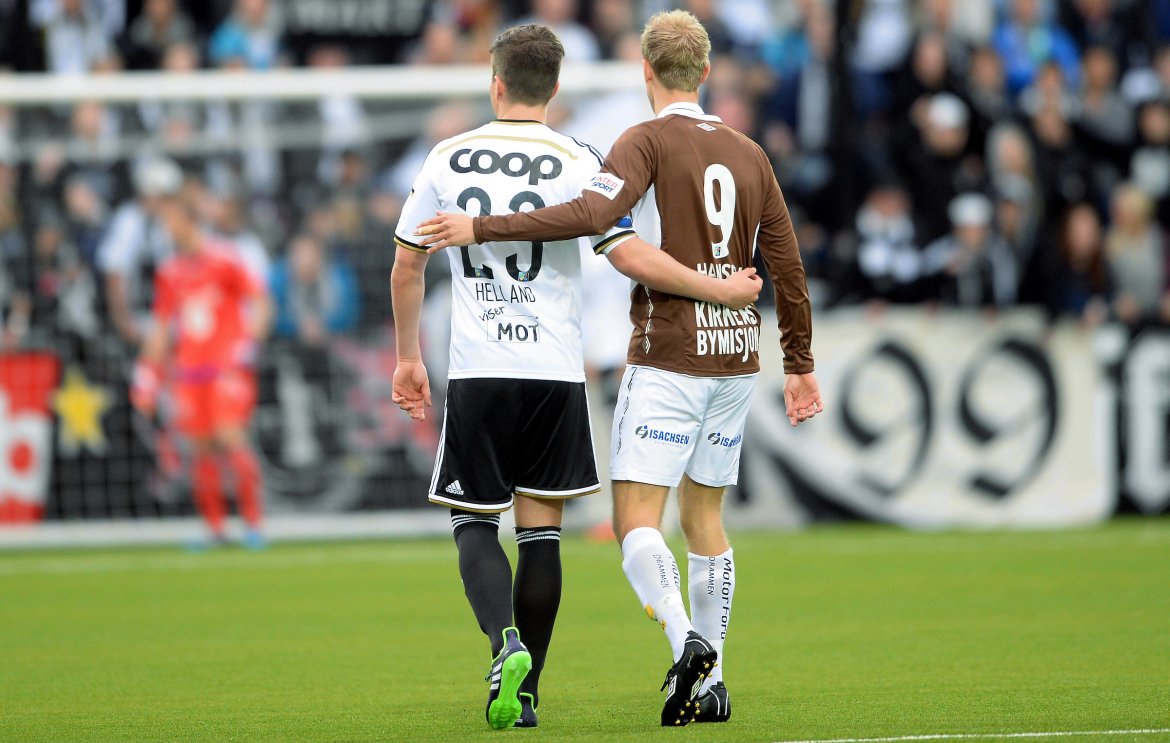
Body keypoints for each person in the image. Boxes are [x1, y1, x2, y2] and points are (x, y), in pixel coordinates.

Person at [415, 9, 823, 727]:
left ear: (644, 73)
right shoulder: (752, 153)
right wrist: (800, 362)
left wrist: (483, 226)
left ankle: (682, 636)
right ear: (705, 72)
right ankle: (715, 676)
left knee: (636, 520)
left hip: (667, 350)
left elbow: (585, 217)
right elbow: (786, 264)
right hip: (735, 356)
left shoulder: (640, 141)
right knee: (707, 519)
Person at [131, 195, 269, 550]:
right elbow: (161, 327)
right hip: (189, 373)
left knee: (230, 437)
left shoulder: (225, 260)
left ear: (189, 221)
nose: (167, 229)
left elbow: (262, 302)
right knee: (200, 450)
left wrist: (247, 346)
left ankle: (254, 524)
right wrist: (146, 375)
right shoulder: (169, 272)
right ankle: (216, 528)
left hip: (225, 369)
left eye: (172, 221)